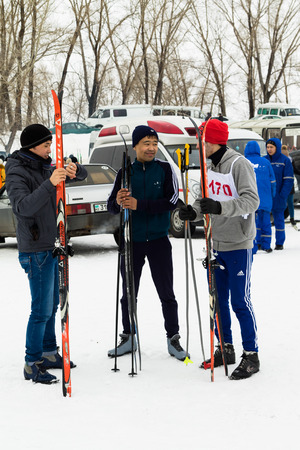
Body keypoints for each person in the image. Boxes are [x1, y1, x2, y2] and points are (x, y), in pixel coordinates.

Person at [5, 124, 87, 384]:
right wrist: (50, 183)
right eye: (45, 145)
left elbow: (82, 175)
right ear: (32, 148)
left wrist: (74, 168)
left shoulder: (44, 166)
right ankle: (32, 362)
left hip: (52, 244)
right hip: (35, 248)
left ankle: (50, 352)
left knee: (52, 306)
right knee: (40, 309)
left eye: (51, 144)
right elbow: (22, 207)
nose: (50, 149)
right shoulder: (17, 171)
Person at [179, 119, 260, 380]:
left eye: (204, 141)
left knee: (239, 301)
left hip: (238, 243)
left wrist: (220, 207)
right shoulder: (207, 167)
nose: (201, 145)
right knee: (217, 302)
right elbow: (204, 200)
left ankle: (251, 355)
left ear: (215, 141)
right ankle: (225, 348)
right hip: (215, 243)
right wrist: (192, 211)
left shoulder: (239, 164)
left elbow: (252, 200)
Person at [107, 125, 188, 361]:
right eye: (146, 143)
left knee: (167, 293)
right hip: (131, 242)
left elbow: (172, 200)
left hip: (159, 241)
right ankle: (128, 336)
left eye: (154, 143)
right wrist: (119, 201)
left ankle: (173, 338)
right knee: (128, 293)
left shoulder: (164, 169)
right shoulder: (124, 172)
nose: (151, 148)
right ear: (135, 146)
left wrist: (139, 204)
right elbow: (111, 206)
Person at [244, 141, 276, 253]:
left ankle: (253, 246)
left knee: (252, 223)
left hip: (250, 200)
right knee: (266, 222)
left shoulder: (244, 162)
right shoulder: (266, 162)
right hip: (266, 199)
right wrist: (272, 195)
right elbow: (273, 182)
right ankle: (266, 245)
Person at [264, 138, 294, 249]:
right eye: (267, 147)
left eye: (271, 147)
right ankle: (264, 242)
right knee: (264, 221)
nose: (269, 149)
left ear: (277, 147)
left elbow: (288, 179)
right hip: (266, 196)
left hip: (279, 196)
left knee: (279, 220)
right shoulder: (264, 160)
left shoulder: (285, 160)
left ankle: (279, 243)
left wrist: (283, 195)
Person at [281, 144, 296, 226]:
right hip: (290, 184)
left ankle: (280, 218)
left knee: (281, 202)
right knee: (290, 203)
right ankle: (292, 219)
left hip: (281, 184)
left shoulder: (279, 159)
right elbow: (295, 170)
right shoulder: (291, 159)